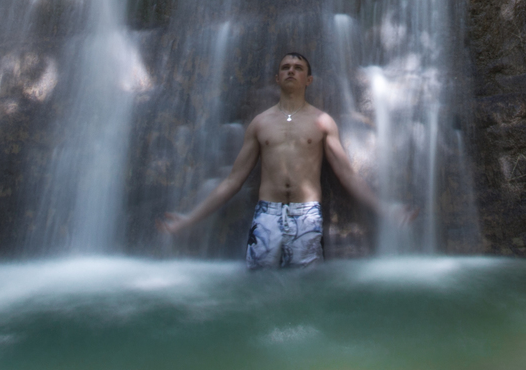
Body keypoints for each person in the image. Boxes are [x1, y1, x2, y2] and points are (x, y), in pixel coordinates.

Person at [159, 51, 402, 269]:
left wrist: (385, 210)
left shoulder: (323, 122)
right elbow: (233, 181)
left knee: (304, 282)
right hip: (267, 214)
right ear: (277, 78)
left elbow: (348, 175)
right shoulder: (260, 123)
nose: (291, 71)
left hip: (306, 214)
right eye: (285, 67)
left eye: (298, 68)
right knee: (259, 280)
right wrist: (189, 219)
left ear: (309, 80)